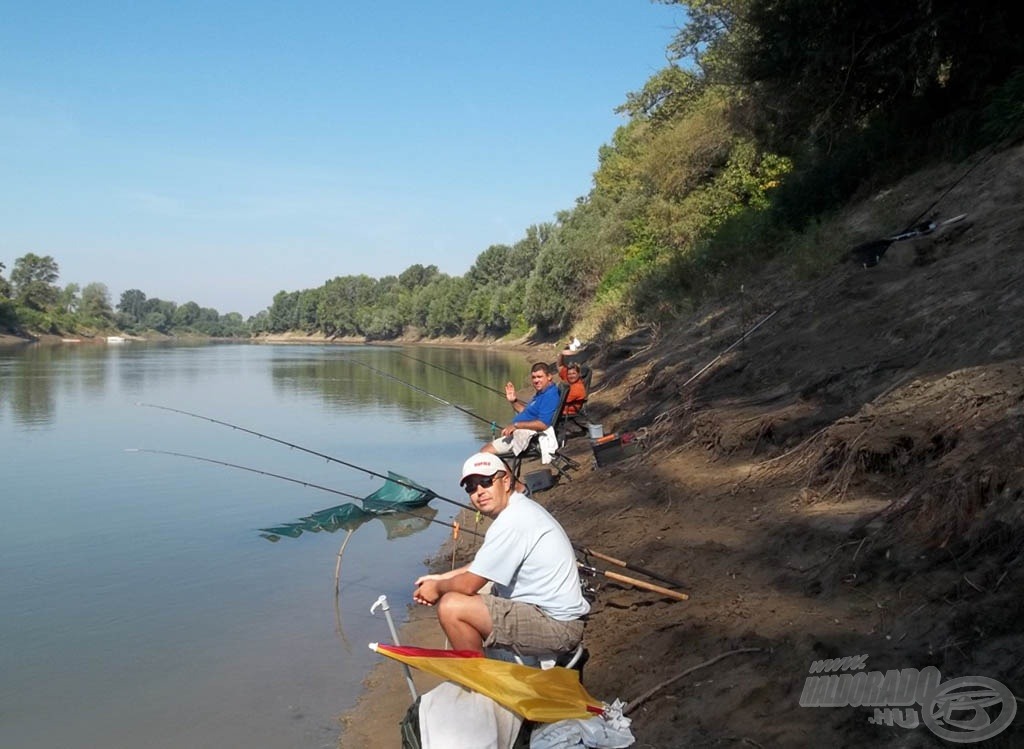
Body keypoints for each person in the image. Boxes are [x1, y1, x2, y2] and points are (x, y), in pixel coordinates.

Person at [413, 452, 589, 654]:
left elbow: (469, 584)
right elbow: (482, 567)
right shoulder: (519, 509)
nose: (479, 491)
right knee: (474, 591)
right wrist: (441, 577)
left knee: (451, 606)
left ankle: (482, 682)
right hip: (547, 613)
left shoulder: (512, 521)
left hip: (558, 627)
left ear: (505, 481)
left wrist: (437, 588)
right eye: (471, 487)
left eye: (486, 482)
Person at [481, 362, 561, 456]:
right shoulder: (541, 393)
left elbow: (543, 424)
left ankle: (504, 470)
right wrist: (513, 401)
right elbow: (527, 412)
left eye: (539, 377)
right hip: (519, 431)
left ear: (549, 377)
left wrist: (516, 425)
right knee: (486, 450)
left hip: (530, 437)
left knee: (484, 453)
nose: (536, 380)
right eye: (534, 377)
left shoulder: (550, 396)